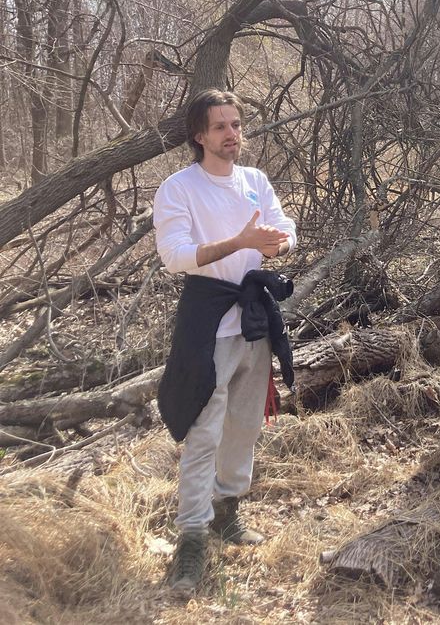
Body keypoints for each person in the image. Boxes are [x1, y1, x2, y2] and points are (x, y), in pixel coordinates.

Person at [153, 89, 297, 595]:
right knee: (203, 431)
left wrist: (279, 241)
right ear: (199, 135)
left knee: (244, 424)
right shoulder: (179, 188)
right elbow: (175, 255)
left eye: (236, 125)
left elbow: (283, 226)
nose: (232, 135)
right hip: (208, 321)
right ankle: (191, 537)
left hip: (253, 319)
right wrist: (238, 242)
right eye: (220, 127)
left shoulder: (254, 181)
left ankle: (227, 512)